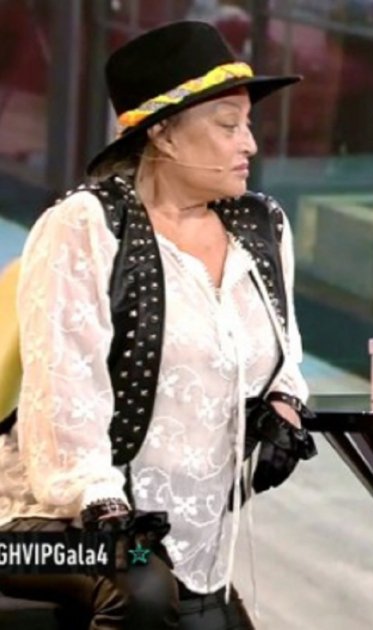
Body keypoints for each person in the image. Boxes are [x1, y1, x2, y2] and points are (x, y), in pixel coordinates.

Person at [0, 21, 315, 629]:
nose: (249, 144)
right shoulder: (86, 226)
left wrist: (284, 406)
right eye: (228, 125)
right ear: (164, 133)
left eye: (248, 124)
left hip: (193, 541)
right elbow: (65, 395)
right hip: (44, 528)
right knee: (142, 585)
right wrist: (103, 504)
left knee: (183, 596)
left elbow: (282, 356)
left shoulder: (261, 227)